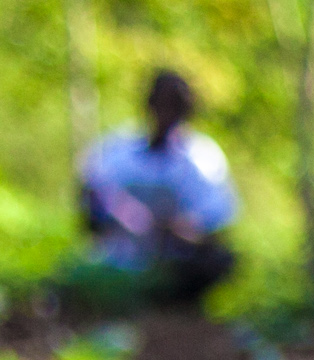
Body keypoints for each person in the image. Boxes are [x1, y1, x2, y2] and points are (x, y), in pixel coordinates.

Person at [76, 69, 237, 308]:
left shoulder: (202, 158)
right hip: (118, 261)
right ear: (148, 105)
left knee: (220, 260)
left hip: (175, 267)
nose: (167, 112)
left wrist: (170, 228)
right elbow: (90, 206)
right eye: (161, 103)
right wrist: (122, 215)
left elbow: (215, 225)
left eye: (175, 106)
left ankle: (179, 306)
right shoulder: (116, 151)